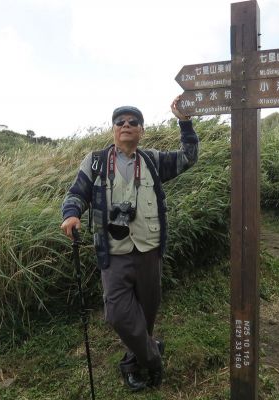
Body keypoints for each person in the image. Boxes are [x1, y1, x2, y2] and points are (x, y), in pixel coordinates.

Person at [61, 96, 199, 391]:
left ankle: (132, 364)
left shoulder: (152, 161)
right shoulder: (96, 161)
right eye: (120, 122)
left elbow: (189, 156)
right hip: (113, 253)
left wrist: (185, 121)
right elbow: (77, 192)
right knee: (118, 314)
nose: (126, 125)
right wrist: (71, 215)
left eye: (133, 122)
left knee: (146, 314)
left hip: (149, 250)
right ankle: (153, 358)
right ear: (113, 130)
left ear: (141, 130)